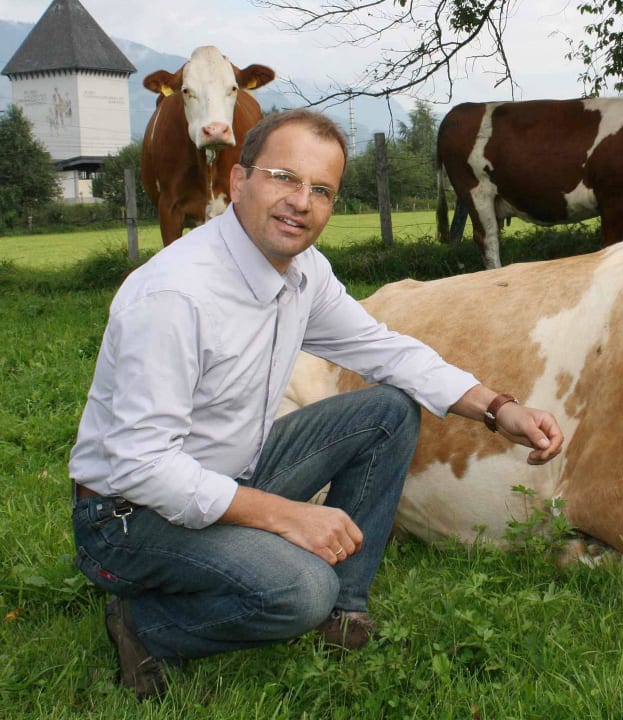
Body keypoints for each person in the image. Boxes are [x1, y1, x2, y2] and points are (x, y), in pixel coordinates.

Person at [69, 108, 564, 700]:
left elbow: (385, 350)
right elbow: (141, 466)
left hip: (228, 472)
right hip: (127, 517)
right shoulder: (174, 295)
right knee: (300, 591)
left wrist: (497, 408)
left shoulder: (302, 272)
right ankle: (146, 626)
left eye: (321, 189)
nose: (301, 202)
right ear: (238, 181)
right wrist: (286, 515)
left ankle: (343, 612)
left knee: (387, 410)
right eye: (284, 177)